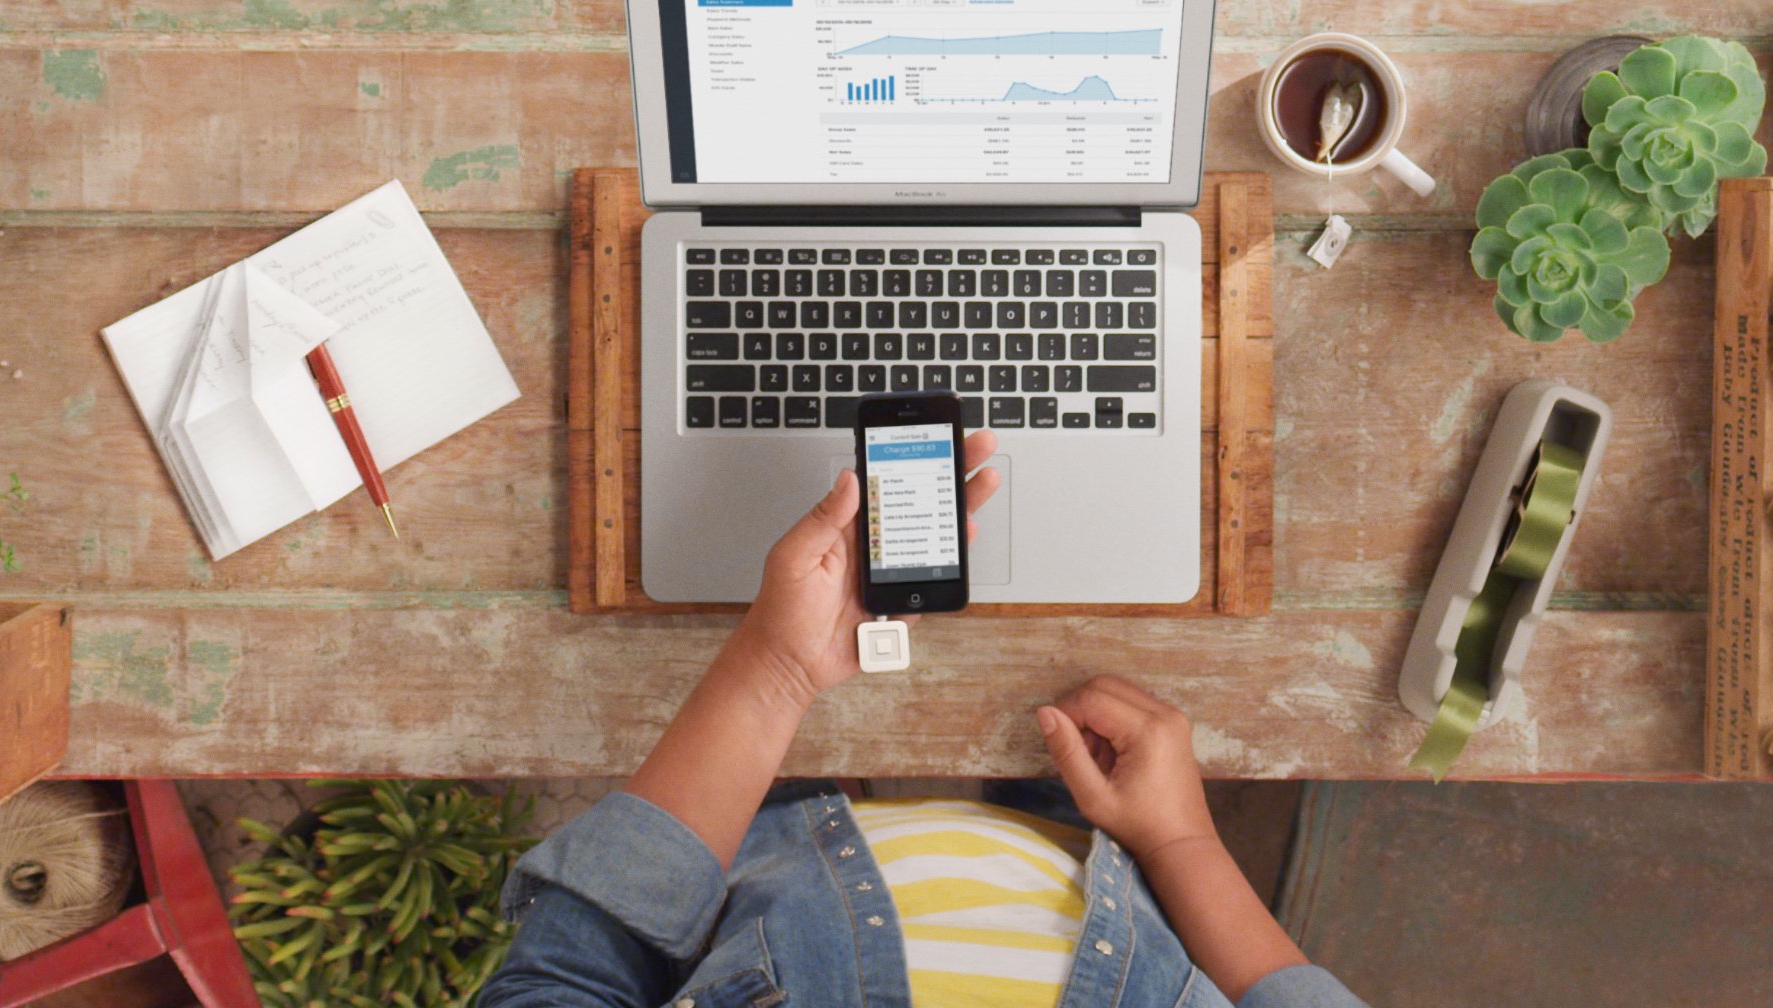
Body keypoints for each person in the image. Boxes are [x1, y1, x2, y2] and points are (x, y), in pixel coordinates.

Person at [482, 432, 1365, 1008]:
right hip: (1108, 860)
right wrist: (1179, 842)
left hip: (791, 854)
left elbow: (574, 971)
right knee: (1057, 721)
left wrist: (775, 672)